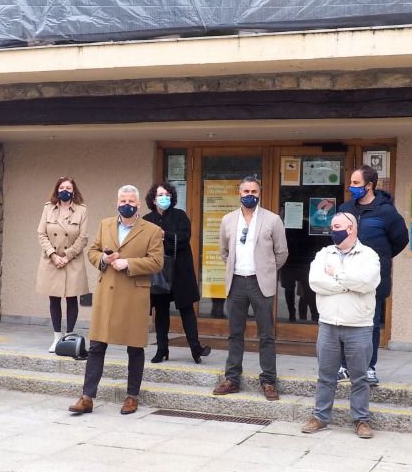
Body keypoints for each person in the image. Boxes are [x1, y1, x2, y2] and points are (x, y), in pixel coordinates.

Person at [69, 185, 163, 416]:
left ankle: (132, 397)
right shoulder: (106, 224)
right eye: (122, 201)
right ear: (117, 202)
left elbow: (157, 262)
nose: (126, 205)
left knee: (135, 348)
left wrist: (129, 263)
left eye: (131, 201)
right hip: (107, 293)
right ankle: (87, 397)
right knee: (97, 345)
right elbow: (92, 251)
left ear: (138, 205)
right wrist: (104, 258)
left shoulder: (152, 230)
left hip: (134, 294)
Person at [302, 212, 380, 438]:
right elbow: (315, 282)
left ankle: (361, 420)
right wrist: (347, 284)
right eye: (332, 226)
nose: (332, 229)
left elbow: (366, 282)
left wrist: (336, 274)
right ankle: (320, 417)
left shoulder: (369, 255)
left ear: (351, 228)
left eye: (337, 226)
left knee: (360, 377)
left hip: (359, 326)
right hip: (328, 324)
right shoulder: (324, 253)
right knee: (326, 376)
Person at [211, 176, 289, 401]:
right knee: (235, 333)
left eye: (253, 191)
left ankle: (268, 381)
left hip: (260, 282)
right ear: (239, 193)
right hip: (236, 282)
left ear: (260, 192)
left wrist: (266, 270)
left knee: (266, 335)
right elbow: (224, 251)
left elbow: (281, 252)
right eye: (245, 191)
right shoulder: (228, 220)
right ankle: (232, 378)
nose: (249, 195)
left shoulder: (272, 220)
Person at [337, 165, 408, 385]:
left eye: (356, 184)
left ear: (370, 185)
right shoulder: (346, 207)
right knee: (344, 322)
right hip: (346, 275)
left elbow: (400, 240)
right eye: (351, 183)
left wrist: (380, 259)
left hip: (374, 279)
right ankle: (344, 366)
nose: (352, 187)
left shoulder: (386, 211)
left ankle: (369, 367)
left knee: (371, 324)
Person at [143, 182, 211, 364]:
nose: (164, 198)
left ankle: (196, 349)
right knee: (161, 310)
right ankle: (161, 349)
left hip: (180, 270)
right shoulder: (146, 219)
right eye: (160, 195)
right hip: (158, 272)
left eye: (167, 194)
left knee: (186, 308)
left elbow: (184, 237)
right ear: (153, 199)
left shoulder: (180, 215)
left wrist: (165, 236)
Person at [36, 176, 89, 352]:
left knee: (72, 299)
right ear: (56, 190)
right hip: (52, 260)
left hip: (72, 261)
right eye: (61, 188)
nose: (64, 190)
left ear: (74, 191)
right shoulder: (48, 208)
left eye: (68, 188)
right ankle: (57, 337)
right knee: (54, 299)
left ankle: (69, 336)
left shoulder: (82, 210)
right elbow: (41, 234)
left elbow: (83, 238)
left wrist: (67, 256)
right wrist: (53, 255)